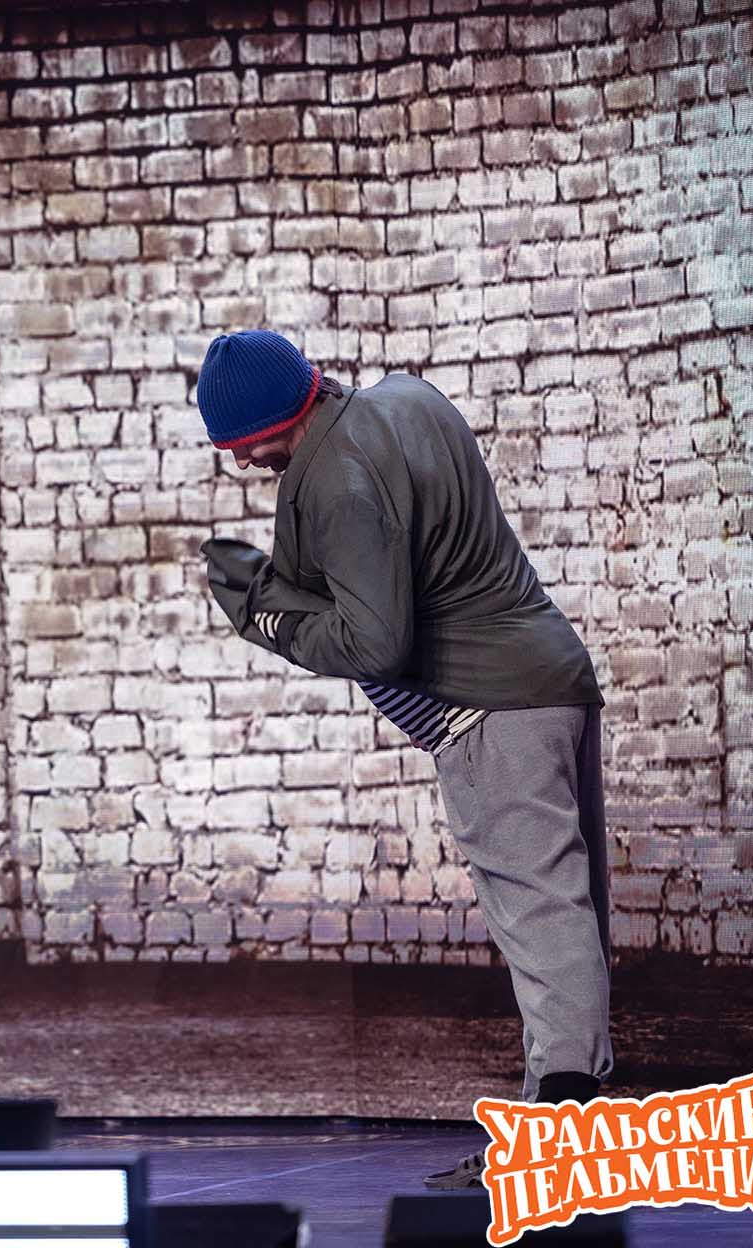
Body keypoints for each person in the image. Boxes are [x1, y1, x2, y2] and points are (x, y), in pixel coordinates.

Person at [192, 331, 610, 1190]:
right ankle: (558, 1132)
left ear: (261, 428)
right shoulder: (408, 399)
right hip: (553, 682)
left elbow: (378, 643)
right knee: (565, 913)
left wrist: (269, 618)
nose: (241, 465)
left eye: (241, 449)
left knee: (541, 918)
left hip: (494, 709)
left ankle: (560, 1146)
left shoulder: (337, 480)